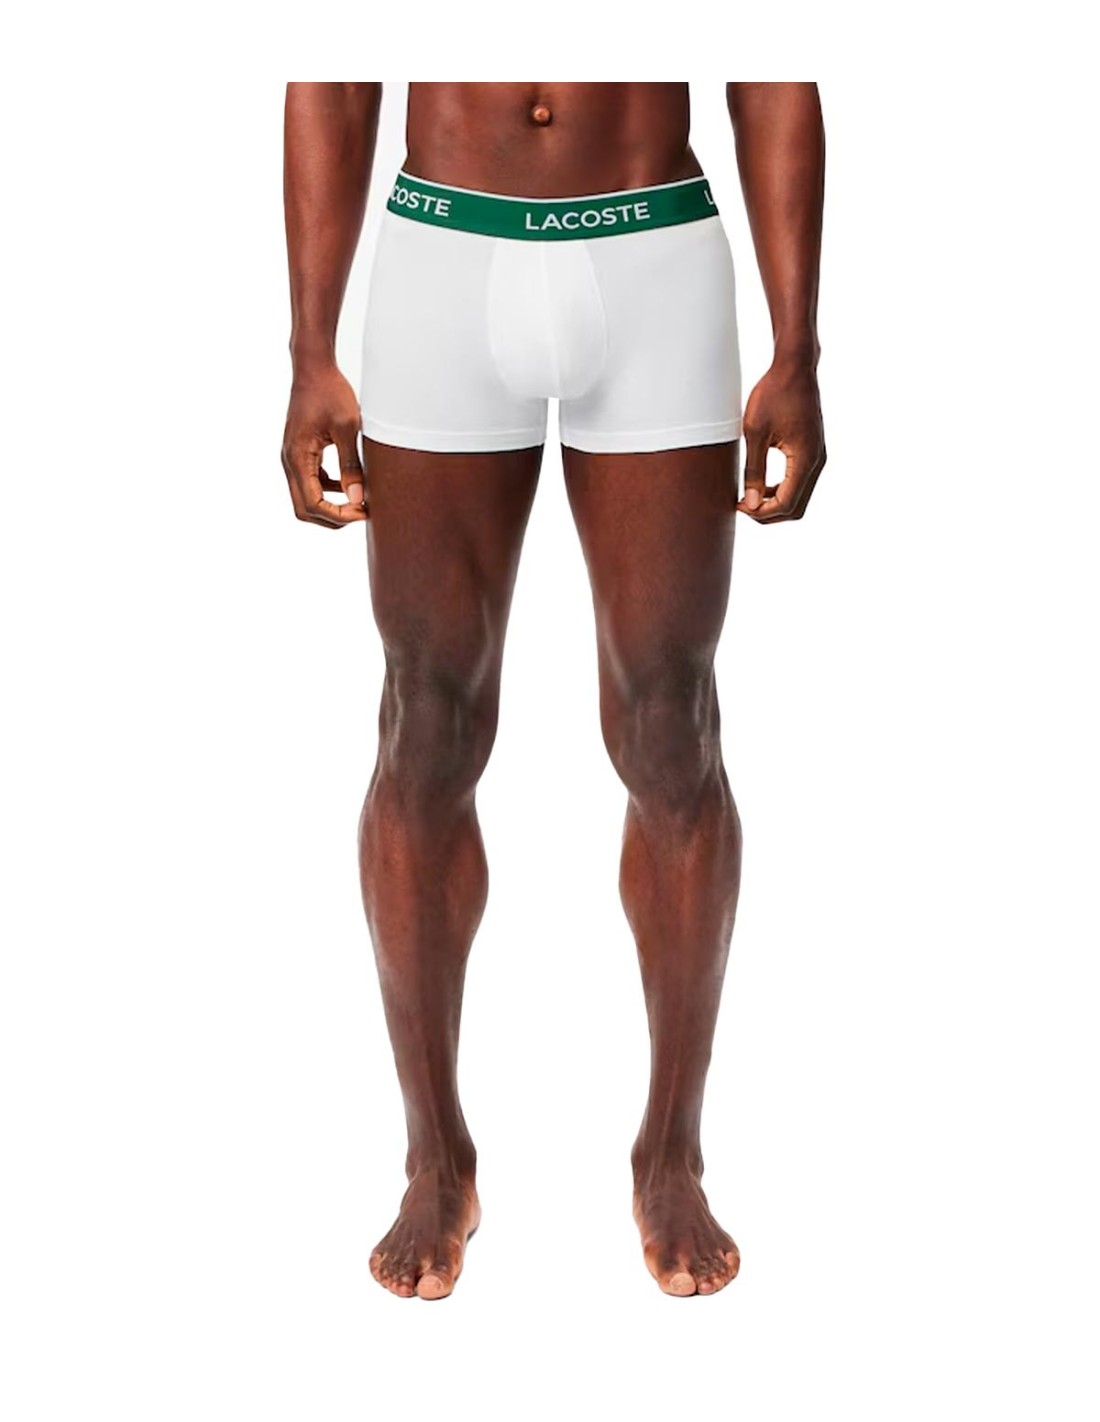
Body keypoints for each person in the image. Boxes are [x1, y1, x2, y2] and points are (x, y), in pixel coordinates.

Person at [281, 82, 826, 1300]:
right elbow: (329, 66)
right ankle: (434, 1157)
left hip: (652, 252)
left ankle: (671, 1151)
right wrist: (309, 347)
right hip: (442, 246)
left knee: (670, 722)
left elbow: (773, 66)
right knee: (425, 719)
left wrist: (796, 348)